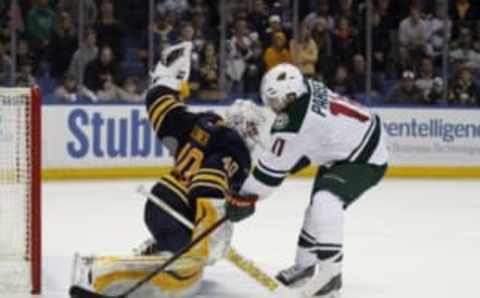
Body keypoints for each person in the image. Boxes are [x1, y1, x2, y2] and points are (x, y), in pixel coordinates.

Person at [73, 44, 267, 298]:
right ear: (243, 126)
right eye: (253, 131)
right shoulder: (236, 147)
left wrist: (165, 81)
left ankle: (155, 250)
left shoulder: (205, 123)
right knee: (183, 273)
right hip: (180, 209)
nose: (253, 139)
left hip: (160, 201)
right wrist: (213, 230)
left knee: (183, 259)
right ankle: (102, 272)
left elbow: (163, 112)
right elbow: (208, 183)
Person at [225, 63, 389, 297]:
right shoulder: (308, 88)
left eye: (274, 100)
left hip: (365, 156)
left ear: (290, 95)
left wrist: (244, 197)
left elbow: (267, 177)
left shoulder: (294, 122)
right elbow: (306, 144)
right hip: (346, 144)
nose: (271, 107)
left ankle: (331, 275)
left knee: (326, 201)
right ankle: (305, 266)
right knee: (315, 211)